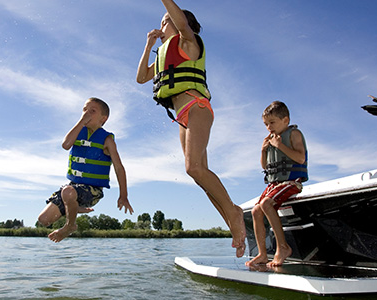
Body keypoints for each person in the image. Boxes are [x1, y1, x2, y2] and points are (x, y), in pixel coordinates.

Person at [136, 0, 246, 257]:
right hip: (183, 117)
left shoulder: (187, 42)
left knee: (193, 167)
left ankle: (234, 213)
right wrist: (149, 45)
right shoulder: (164, 53)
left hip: (197, 107)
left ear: (175, 22)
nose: (160, 25)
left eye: (164, 21)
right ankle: (234, 226)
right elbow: (141, 77)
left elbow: (182, 23)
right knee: (200, 176)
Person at [37, 97, 134, 242]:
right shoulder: (78, 132)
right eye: (84, 110)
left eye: (92, 111)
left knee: (68, 192)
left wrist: (123, 195)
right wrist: (81, 122)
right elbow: (65, 145)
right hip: (72, 189)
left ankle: (69, 226)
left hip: (92, 191)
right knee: (43, 220)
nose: (86, 114)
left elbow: (119, 168)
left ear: (103, 119)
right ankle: (74, 207)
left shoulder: (107, 140)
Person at [246, 101, 308, 267]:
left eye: (272, 123)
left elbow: (300, 158)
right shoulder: (271, 139)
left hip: (291, 182)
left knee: (266, 204)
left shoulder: (293, 134)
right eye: (266, 124)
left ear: (285, 120)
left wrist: (280, 145)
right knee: (255, 211)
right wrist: (263, 150)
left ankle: (283, 247)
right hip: (274, 185)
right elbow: (265, 167)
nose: (268, 127)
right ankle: (262, 254)